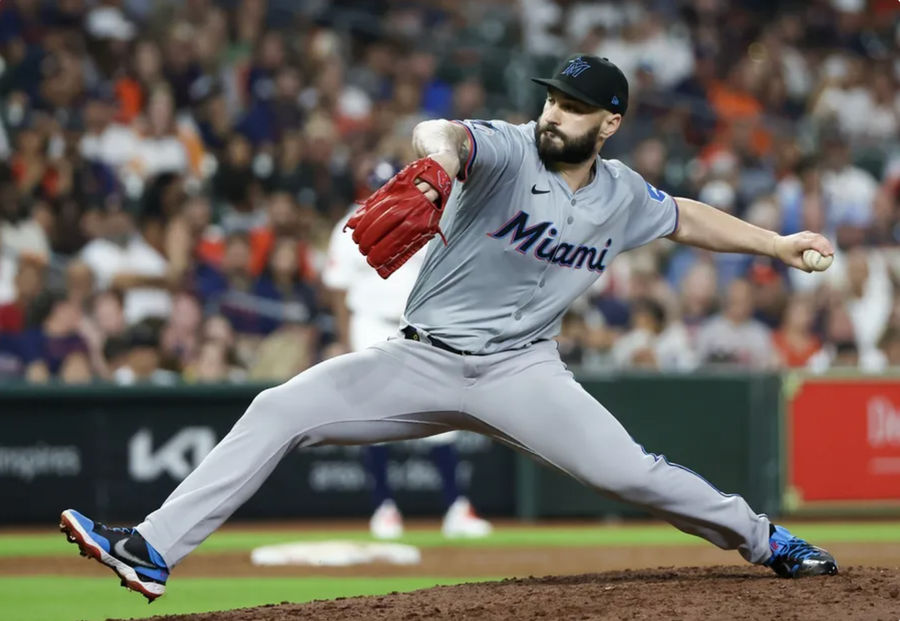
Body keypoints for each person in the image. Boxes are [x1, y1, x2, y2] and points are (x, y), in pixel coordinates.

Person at [60, 54, 838, 603]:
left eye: (572, 105)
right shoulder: (504, 151)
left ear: (610, 122)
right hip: (421, 359)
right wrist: (435, 165)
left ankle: (766, 537)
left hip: (522, 372)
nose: (553, 113)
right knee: (278, 408)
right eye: (551, 98)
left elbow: (686, 217)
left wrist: (773, 243)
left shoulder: (623, 195)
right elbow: (442, 133)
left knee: (630, 473)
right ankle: (154, 547)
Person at [323, 162, 492, 539]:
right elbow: (336, 290)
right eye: (375, 183)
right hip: (371, 324)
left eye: (387, 181)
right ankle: (384, 508)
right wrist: (347, 339)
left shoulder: (429, 218)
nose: (380, 188)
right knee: (377, 415)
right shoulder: (350, 225)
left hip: (421, 327)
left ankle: (456, 508)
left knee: (442, 415)